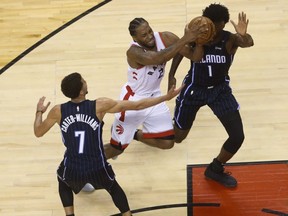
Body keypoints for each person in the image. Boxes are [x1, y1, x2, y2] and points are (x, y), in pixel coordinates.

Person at [33, 72, 183, 216]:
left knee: (63, 180)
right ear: (81, 92)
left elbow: (38, 132)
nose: (86, 82)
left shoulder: (57, 111)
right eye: (84, 81)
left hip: (73, 166)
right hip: (97, 165)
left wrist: (39, 112)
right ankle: (127, 214)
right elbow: (137, 106)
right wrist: (165, 97)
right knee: (112, 187)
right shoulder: (99, 106)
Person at [168, 3, 254, 188]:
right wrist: (171, 73)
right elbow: (181, 51)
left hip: (219, 90)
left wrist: (243, 34)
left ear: (223, 24)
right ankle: (146, 130)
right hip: (194, 88)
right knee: (178, 137)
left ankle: (215, 168)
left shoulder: (230, 39)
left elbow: (248, 43)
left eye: (216, 26)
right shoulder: (198, 33)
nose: (211, 29)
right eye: (209, 24)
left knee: (237, 136)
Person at [104, 17, 207, 159]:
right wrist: (185, 38)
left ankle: (134, 134)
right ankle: (86, 165)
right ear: (135, 38)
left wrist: (199, 43)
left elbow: (193, 57)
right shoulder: (133, 52)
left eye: (150, 31)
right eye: (144, 35)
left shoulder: (166, 38)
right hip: (134, 100)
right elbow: (158, 58)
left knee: (167, 142)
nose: (150, 36)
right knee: (116, 149)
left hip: (155, 97)